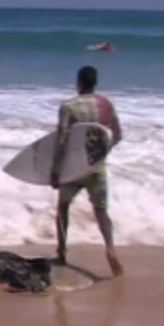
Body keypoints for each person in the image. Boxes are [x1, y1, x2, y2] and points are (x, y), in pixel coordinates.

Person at [50, 65, 124, 276]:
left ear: (78, 82)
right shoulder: (106, 105)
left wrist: (56, 171)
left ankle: (62, 253)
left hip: (74, 170)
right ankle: (110, 248)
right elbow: (117, 135)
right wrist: (102, 153)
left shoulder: (69, 107)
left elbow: (62, 140)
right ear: (95, 83)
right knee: (101, 212)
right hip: (96, 167)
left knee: (62, 208)